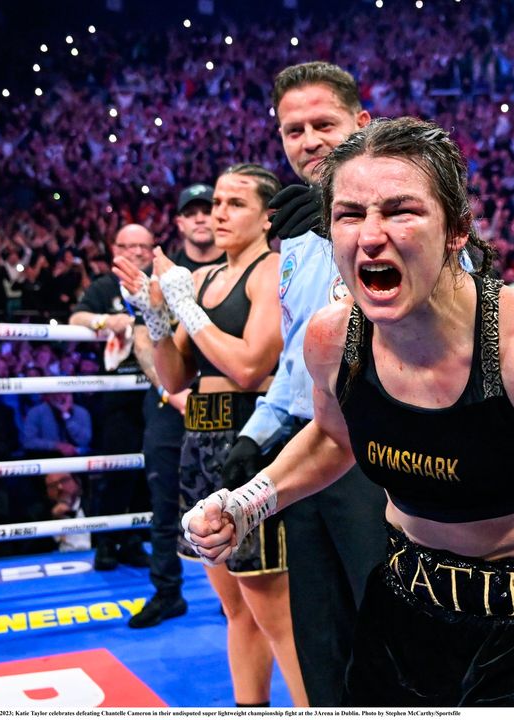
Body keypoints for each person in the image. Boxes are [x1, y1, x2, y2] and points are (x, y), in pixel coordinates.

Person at [183, 117, 514, 708]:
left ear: (457, 228)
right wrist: (250, 501)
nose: (371, 235)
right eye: (350, 215)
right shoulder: (333, 340)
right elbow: (335, 440)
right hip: (401, 605)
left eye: (401, 211)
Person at [218, 61, 386, 707]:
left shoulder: (405, 202)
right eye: (294, 129)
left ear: (361, 124)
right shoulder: (294, 235)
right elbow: (297, 357)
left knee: (389, 628)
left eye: (325, 124)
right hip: (311, 452)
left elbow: (437, 312)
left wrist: (342, 223)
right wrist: (256, 435)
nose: (309, 140)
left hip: (386, 455)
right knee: (320, 635)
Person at [115, 163, 308, 707]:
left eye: (234, 203)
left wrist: (186, 308)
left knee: (273, 609)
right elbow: (174, 377)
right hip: (197, 437)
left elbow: (250, 366)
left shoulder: (275, 271)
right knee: (234, 607)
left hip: (251, 436)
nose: (219, 213)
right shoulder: (198, 278)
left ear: (267, 215)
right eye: (215, 202)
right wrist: (155, 317)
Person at [127, 183, 225, 629]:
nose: (203, 218)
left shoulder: (237, 270)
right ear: (181, 222)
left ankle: (236, 593)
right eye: (193, 212)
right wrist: (174, 393)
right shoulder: (164, 274)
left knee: (230, 499)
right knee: (164, 502)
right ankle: (167, 591)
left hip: (227, 403)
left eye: (210, 209)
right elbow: (144, 338)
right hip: (170, 404)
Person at [70, 224, 152, 571]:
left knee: (148, 472)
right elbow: (77, 316)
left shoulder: (163, 284)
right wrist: (107, 320)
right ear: (115, 248)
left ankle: (133, 539)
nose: (135, 252)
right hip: (118, 394)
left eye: (142, 246)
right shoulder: (106, 286)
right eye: (127, 245)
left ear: (152, 250)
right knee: (115, 470)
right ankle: (105, 543)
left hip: (158, 390)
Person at [22, 392, 92, 457]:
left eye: (66, 393)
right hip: (46, 458)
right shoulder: (35, 412)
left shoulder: (82, 412)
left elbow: (84, 441)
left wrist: (66, 416)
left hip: (75, 458)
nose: (62, 396)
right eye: (57, 393)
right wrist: (57, 446)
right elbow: (28, 442)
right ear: (49, 395)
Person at [44, 472, 92, 552]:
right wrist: (54, 521)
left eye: (64, 481)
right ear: (48, 492)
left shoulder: (95, 507)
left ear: (77, 483)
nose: (60, 487)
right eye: (53, 485)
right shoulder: (42, 516)